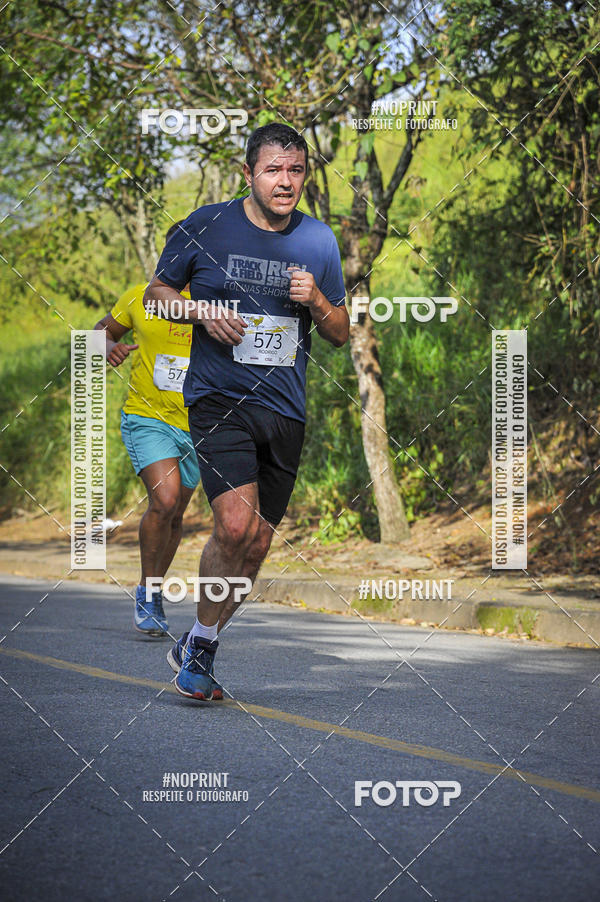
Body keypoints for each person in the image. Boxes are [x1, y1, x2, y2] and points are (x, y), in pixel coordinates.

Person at [144, 123, 349, 699]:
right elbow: (155, 296)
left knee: (257, 543)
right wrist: (202, 312)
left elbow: (339, 331)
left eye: (296, 171)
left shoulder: (319, 240)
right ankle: (202, 652)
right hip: (218, 400)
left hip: (284, 409)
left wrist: (318, 300)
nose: (285, 182)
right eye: (273, 170)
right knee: (234, 525)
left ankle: (199, 639)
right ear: (248, 174)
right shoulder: (206, 224)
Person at [94, 222, 201, 638]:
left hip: (199, 424)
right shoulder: (141, 297)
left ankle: (151, 587)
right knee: (165, 499)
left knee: (175, 514)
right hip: (147, 416)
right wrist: (109, 346)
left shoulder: (216, 301)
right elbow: (101, 331)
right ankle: (148, 592)